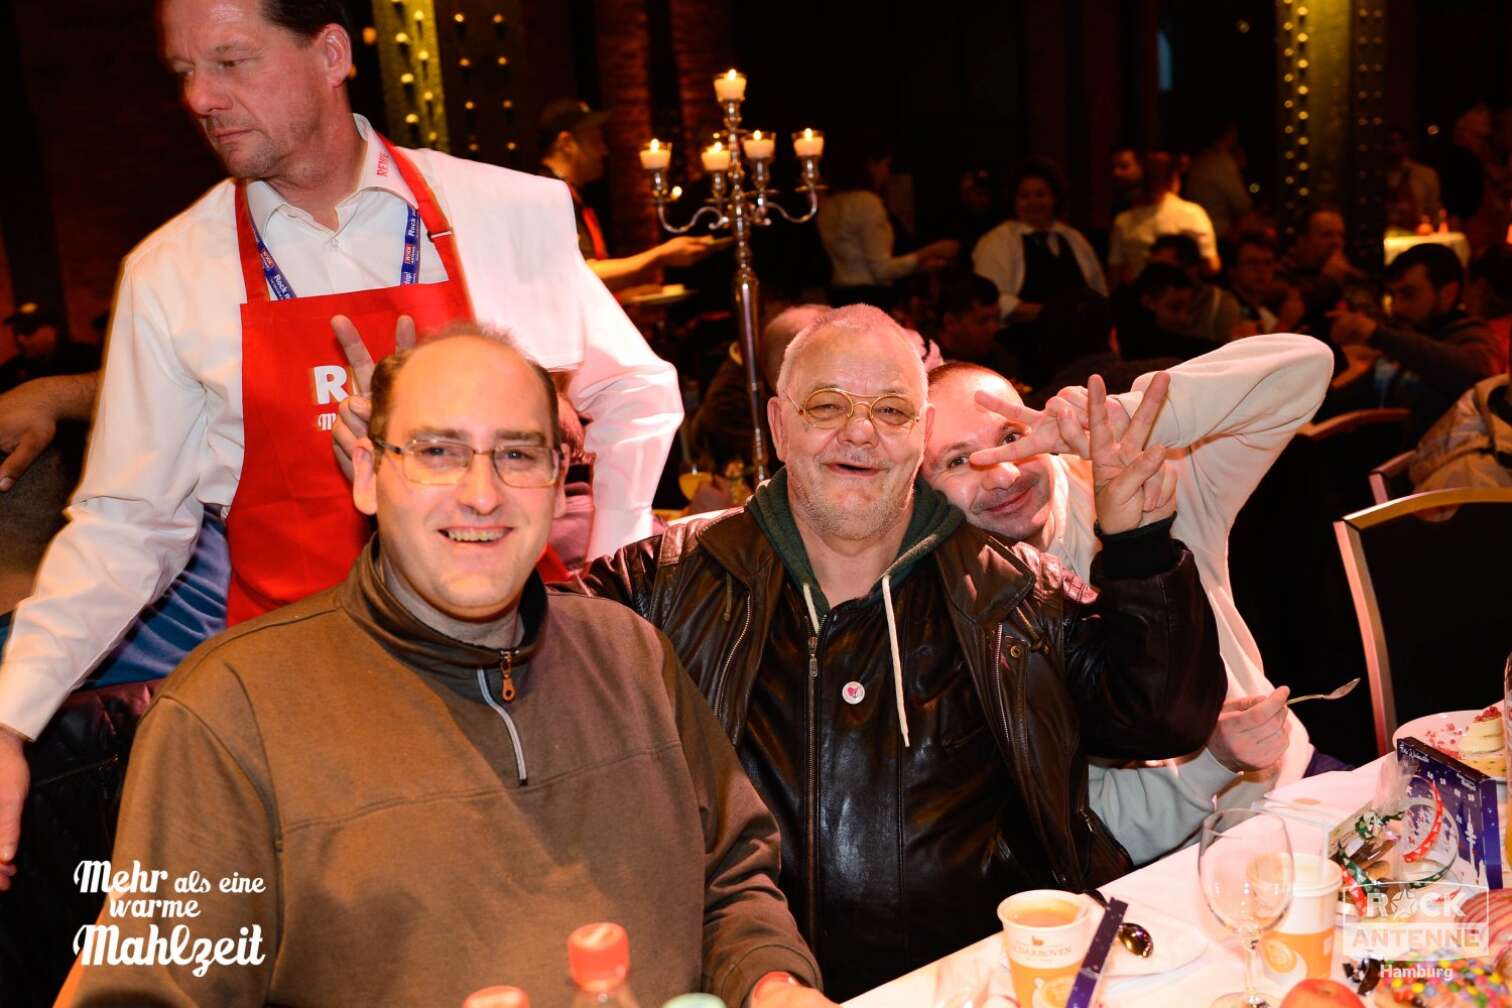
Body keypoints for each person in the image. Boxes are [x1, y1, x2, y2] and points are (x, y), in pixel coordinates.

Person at [0, 0, 682, 887]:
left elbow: (635, 391)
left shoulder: (504, 211)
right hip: (303, 711)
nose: (202, 97)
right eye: (183, 72)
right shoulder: (174, 273)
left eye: (232, 62)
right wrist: (11, 717)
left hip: (517, 682)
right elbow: (129, 529)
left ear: (329, 54)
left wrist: (613, 574)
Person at [68, 328, 827, 1008]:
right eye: (437, 452)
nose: (481, 494)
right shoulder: (230, 710)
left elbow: (730, 881)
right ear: (366, 472)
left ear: (561, 475)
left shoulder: (631, 656)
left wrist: (770, 983)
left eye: (518, 454)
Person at [575, 304, 1226, 999]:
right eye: (828, 405)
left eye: (891, 410)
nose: (860, 432)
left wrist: (1140, 546)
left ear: (918, 436)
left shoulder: (1014, 593)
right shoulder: (660, 586)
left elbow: (1159, 719)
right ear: (777, 426)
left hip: (988, 986)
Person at [920, 333, 1335, 852]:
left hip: (1296, 790)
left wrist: (1125, 418)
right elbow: (1097, 830)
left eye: (1010, 436)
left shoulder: (1147, 481)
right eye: (957, 461)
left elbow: (1305, 367)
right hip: (1167, 869)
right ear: (921, 495)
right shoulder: (960, 614)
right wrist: (1215, 759)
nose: (1003, 474)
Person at [536, 97, 716, 291]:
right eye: (596, 139)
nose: (604, 150)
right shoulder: (546, 195)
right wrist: (660, 255)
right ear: (566, 143)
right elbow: (580, 274)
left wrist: (628, 299)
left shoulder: (565, 193)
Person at [1330, 242, 1503, 439]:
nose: (1396, 308)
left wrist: (1378, 334)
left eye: (1408, 294)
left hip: (1434, 466)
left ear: (1447, 293)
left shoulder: (1471, 336)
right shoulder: (1406, 342)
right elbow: (1354, 396)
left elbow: (1477, 374)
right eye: (1392, 296)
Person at [816, 137, 958, 306]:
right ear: (870, 165)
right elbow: (881, 270)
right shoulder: (866, 202)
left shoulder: (828, 204)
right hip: (868, 299)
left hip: (839, 296)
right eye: (885, 165)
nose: (887, 173)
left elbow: (864, 264)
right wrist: (930, 251)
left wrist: (919, 266)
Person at [1108, 151, 1220, 285]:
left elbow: (1114, 275)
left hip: (1139, 298)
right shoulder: (1193, 214)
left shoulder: (1123, 221)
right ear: (1174, 177)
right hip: (1182, 296)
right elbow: (1211, 266)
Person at [1145, 233, 1245, 346]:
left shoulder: (1218, 303)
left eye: (1164, 270)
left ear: (1191, 269)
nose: (1153, 275)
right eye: (1152, 268)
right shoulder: (1137, 303)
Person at [0, 303, 99, 394]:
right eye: (17, 332)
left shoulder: (85, 358)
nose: (20, 339)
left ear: (52, 330)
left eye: (28, 330)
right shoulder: (13, 369)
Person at [1183, 124, 1253, 240]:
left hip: (1197, 231)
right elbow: (1242, 206)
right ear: (1230, 134)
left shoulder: (1201, 159)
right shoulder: (1221, 163)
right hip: (1218, 235)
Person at [1227, 231, 1304, 334]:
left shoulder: (1264, 312)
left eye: (1268, 263)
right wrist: (1285, 324)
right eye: (1252, 263)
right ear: (1233, 270)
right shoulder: (1227, 309)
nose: (1261, 270)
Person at [1385, 127, 1444, 232]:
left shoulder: (1425, 175)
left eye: (1398, 142)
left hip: (1418, 234)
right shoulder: (1379, 175)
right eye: (1389, 143)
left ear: (1407, 144)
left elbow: (1433, 210)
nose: (1394, 148)